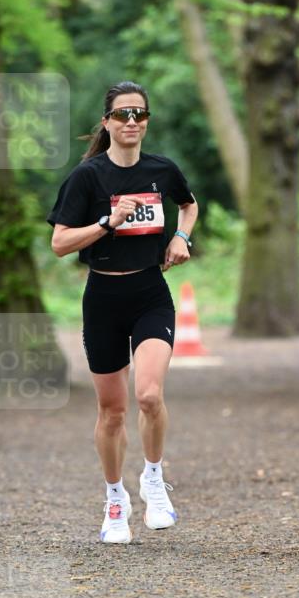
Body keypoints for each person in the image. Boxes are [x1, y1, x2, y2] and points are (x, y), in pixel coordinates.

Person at [47, 81, 198, 544]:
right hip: (103, 301)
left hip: (150, 294)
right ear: (107, 122)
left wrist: (181, 238)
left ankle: (153, 479)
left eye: (140, 114)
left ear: (146, 121)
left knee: (150, 395)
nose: (132, 122)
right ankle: (115, 499)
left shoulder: (162, 170)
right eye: (123, 115)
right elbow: (59, 244)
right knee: (112, 411)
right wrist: (105, 223)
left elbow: (188, 205)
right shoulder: (88, 177)